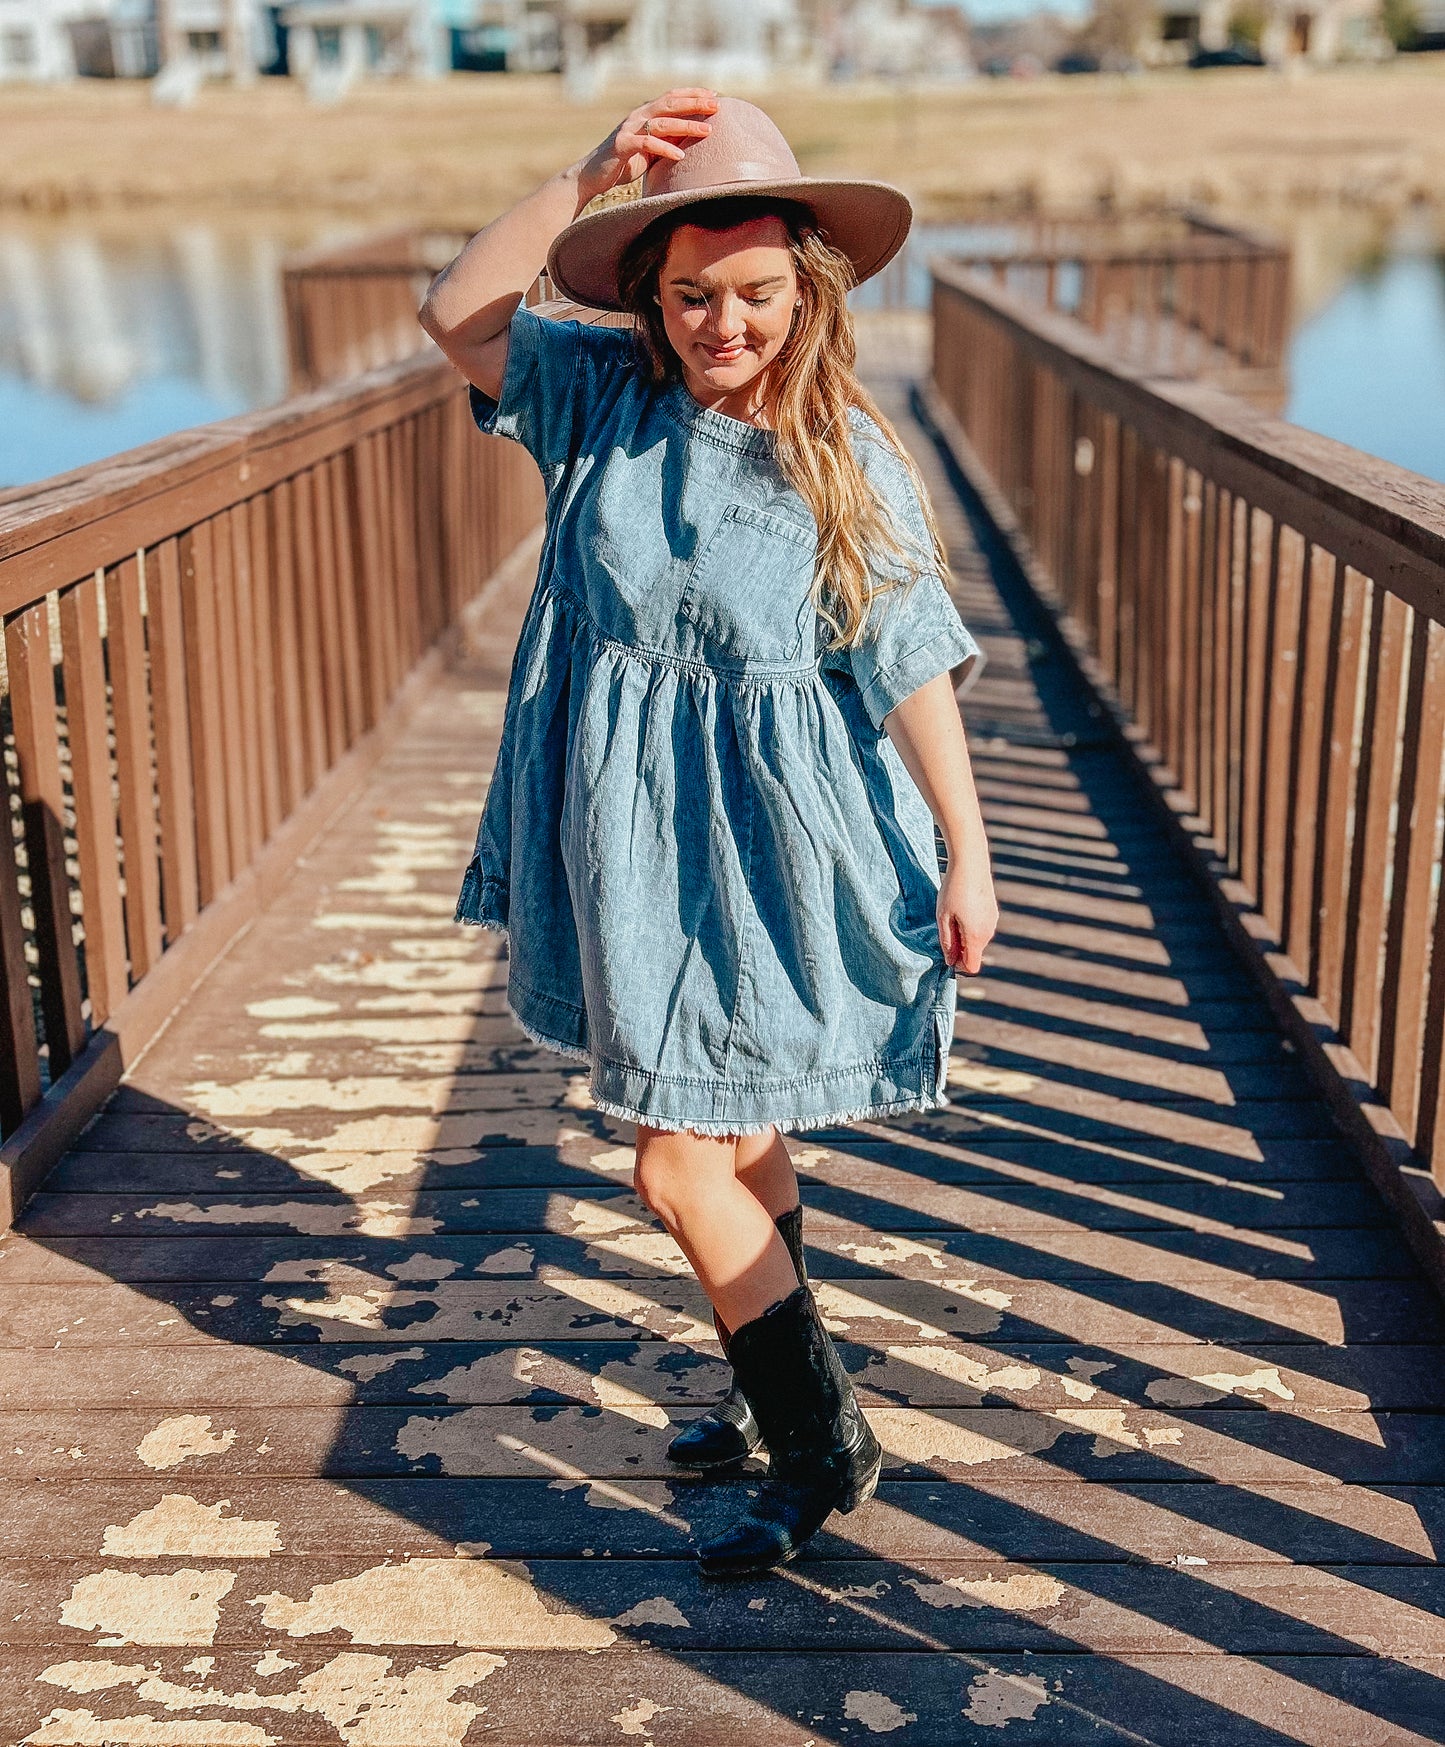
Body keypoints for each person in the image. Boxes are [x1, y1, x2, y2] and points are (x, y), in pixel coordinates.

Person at [420, 91, 998, 1577]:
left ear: (804, 291)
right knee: (730, 1144)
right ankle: (767, 1399)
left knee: (675, 1169)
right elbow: (455, 314)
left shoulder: (844, 457)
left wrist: (966, 845)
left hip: (781, 847)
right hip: (637, 838)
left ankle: (820, 1446)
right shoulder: (602, 398)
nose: (721, 325)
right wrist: (584, 173)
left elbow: (910, 654)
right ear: (646, 297)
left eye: (752, 295)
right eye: (689, 296)